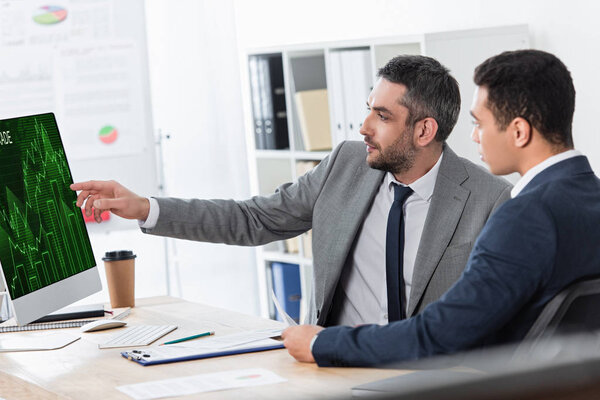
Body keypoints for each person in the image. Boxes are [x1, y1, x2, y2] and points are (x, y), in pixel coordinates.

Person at [71, 55, 509, 331]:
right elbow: (254, 219)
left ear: (424, 130)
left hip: (428, 380)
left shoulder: (489, 199)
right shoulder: (346, 164)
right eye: (367, 110)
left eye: (381, 116)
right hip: (333, 366)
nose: (363, 128)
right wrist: (146, 207)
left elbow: (494, 319)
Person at [281, 49, 600, 367]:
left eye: (479, 123)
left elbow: (443, 334)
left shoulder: (525, 216)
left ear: (518, 131)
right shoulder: (588, 199)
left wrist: (322, 342)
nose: (474, 136)